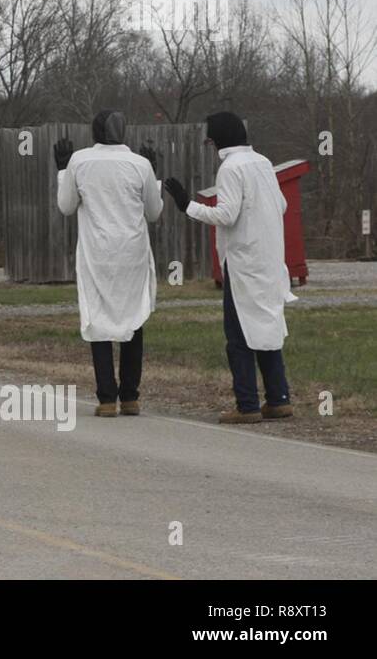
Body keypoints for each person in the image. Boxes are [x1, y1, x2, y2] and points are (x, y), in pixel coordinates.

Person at [163, 112, 294, 424]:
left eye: (210, 139)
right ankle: (279, 399)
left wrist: (187, 206)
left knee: (237, 335)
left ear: (218, 139)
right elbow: (283, 205)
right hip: (271, 259)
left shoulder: (230, 167)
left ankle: (247, 404)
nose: (210, 145)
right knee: (267, 327)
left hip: (243, 263)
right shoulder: (262, 162)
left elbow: (226, 215)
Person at [55, 110, 164, 417]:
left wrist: (63, 171)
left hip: (97, 252)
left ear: (95, 132)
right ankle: (130, 396)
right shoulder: (139, 164)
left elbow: (66, 207)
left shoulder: (79, 161)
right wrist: (153, 174)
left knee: (98, 318)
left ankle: (106, 398)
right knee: (134, 317)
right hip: (132, 252)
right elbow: (154, 213)